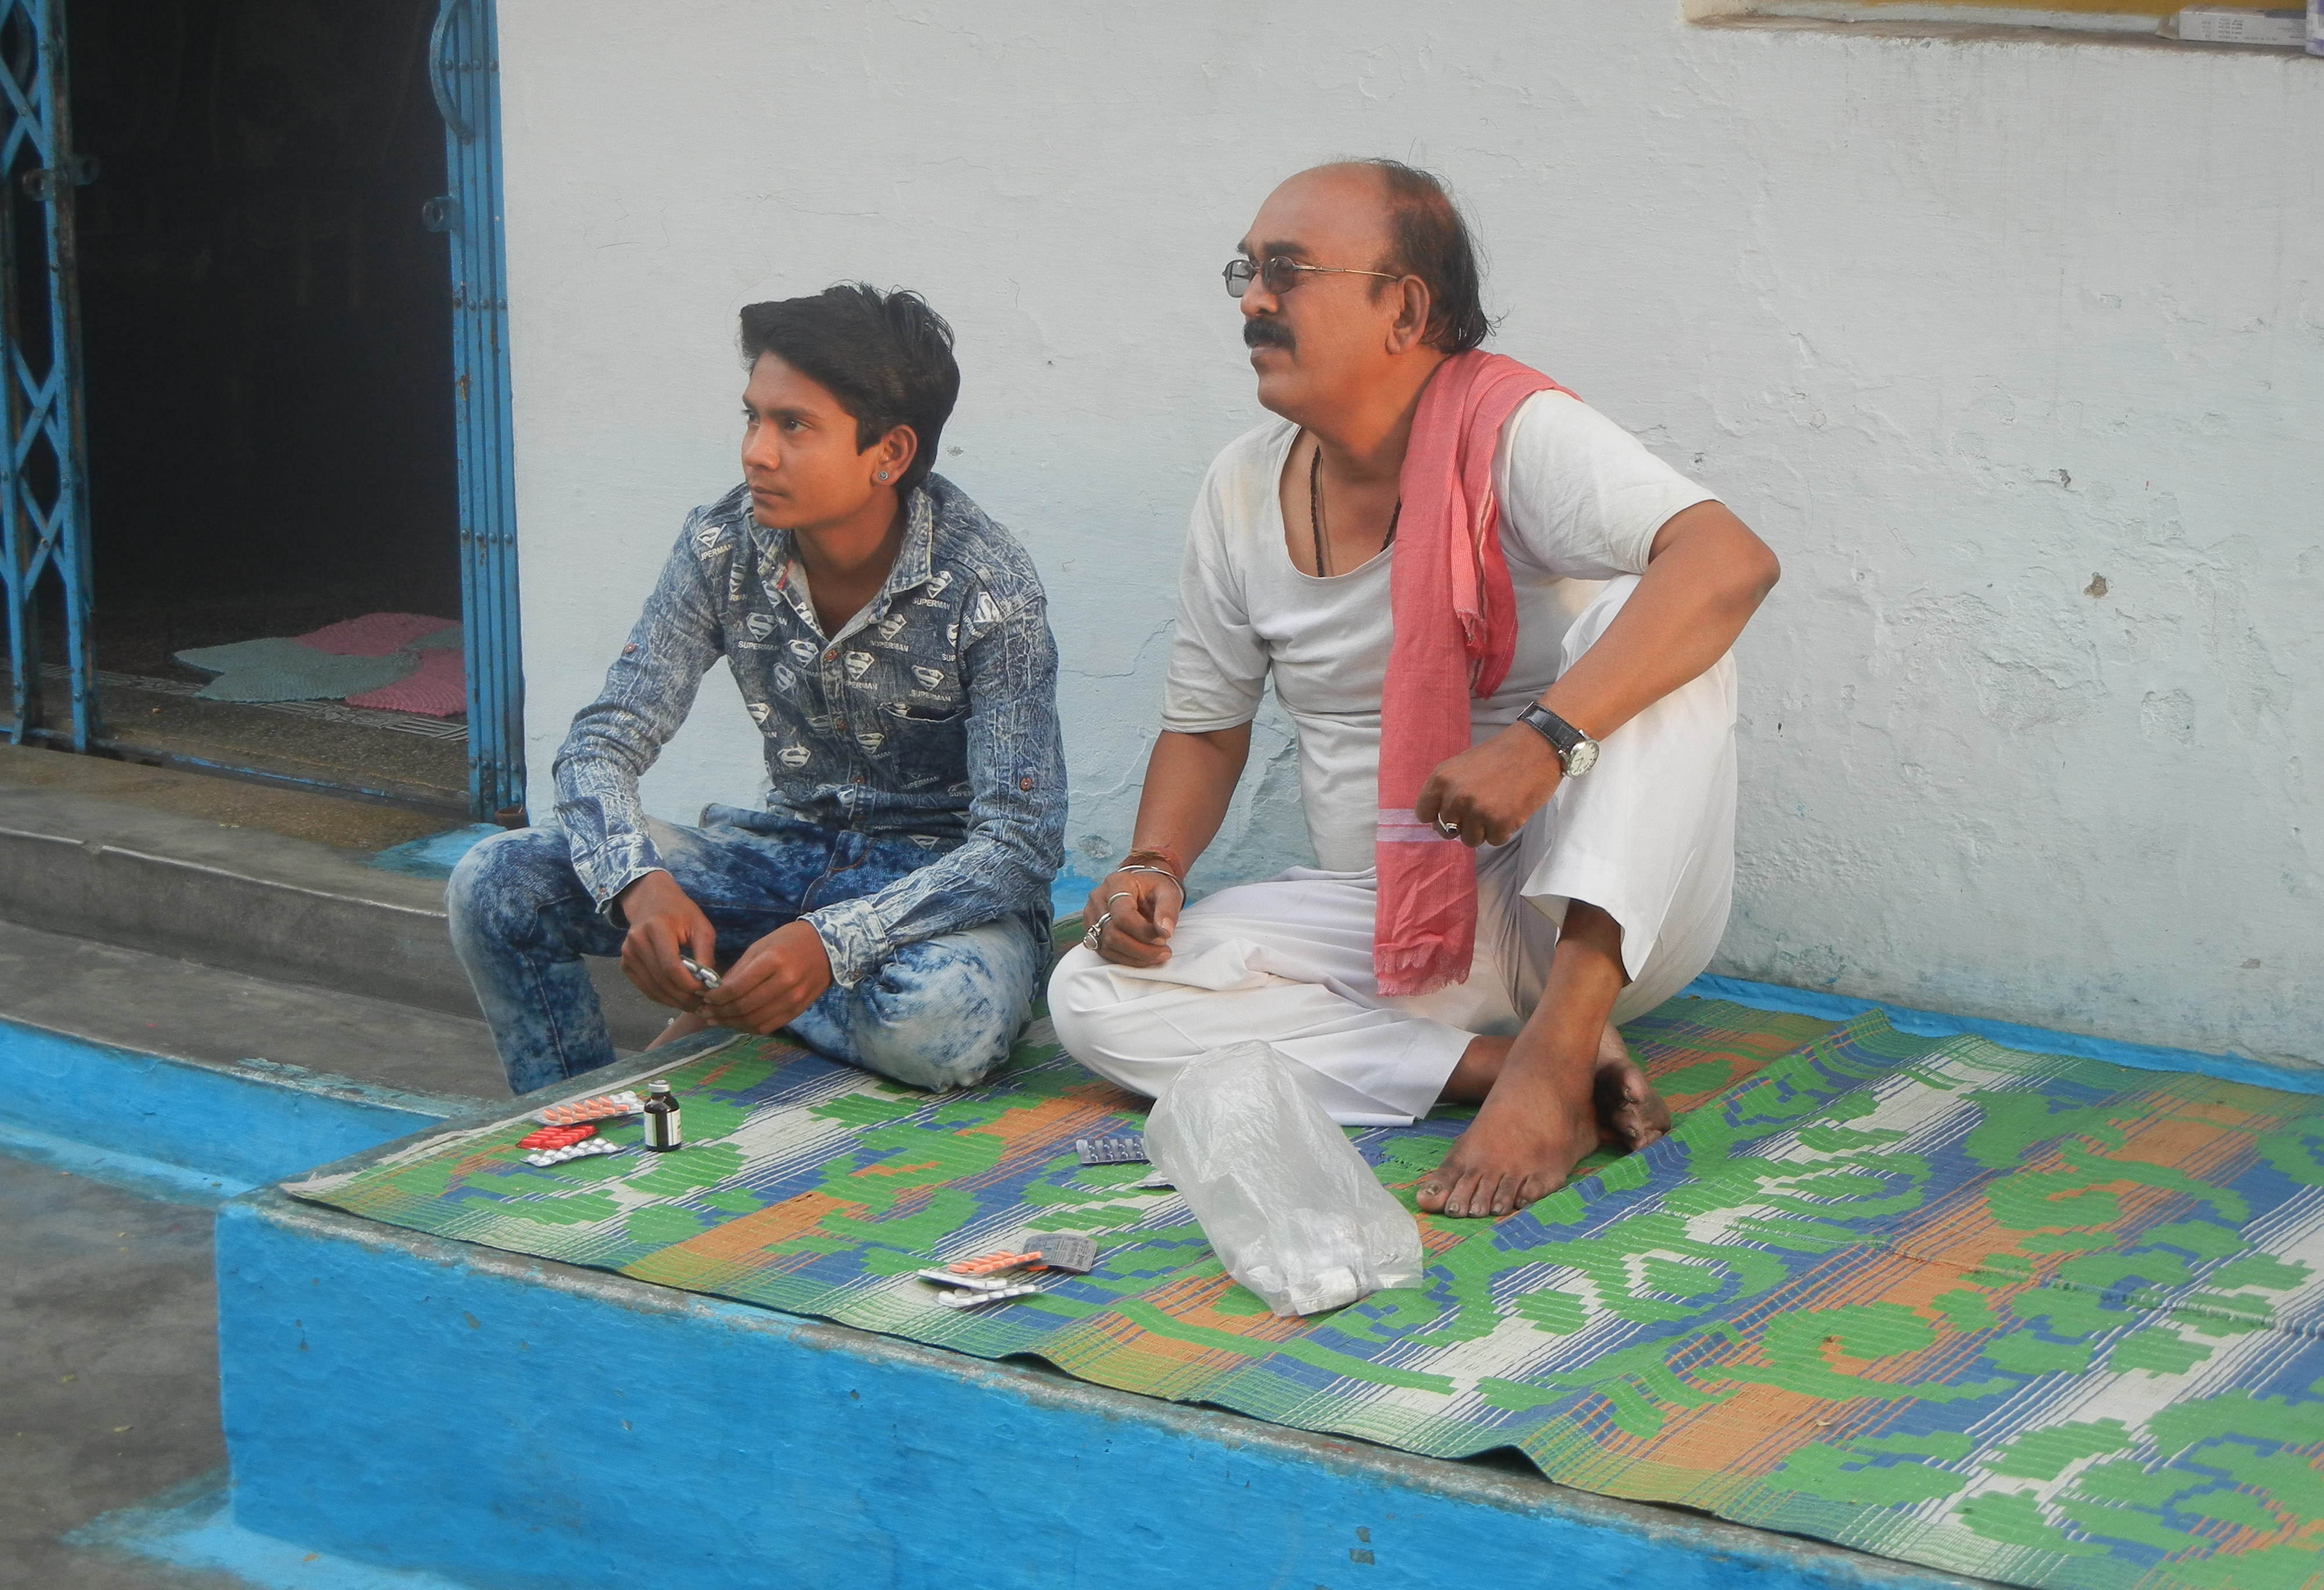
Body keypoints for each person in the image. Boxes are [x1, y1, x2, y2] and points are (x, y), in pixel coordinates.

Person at [1046, 161, 1780, 1219]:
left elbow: (1731, 561)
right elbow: (1207, 730)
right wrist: (1150, 866)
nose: (1253, 301)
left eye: (1288, 272)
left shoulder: (1517, 433)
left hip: (1595, 912)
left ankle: (1564, 1040)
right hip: (1404, 919)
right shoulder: (1242, 484)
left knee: (1667, 620)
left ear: (1404, 308)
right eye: (1247, 273)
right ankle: (1501, 1067)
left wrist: (1541, 742)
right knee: (1092, 993)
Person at [449, 283, 1065, 1097]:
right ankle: (579, 1109)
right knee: (495, 882)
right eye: (754, 418)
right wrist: (638, 882)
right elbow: (602, 742)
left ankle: (732, 1009)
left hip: (937, 899)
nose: (757, 453)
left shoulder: (989, 586)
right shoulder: (721, 546)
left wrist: (829, 945)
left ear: (889, 453)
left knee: (939, 1020)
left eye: (794, 426)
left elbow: (1019, 845)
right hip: (777, 861)